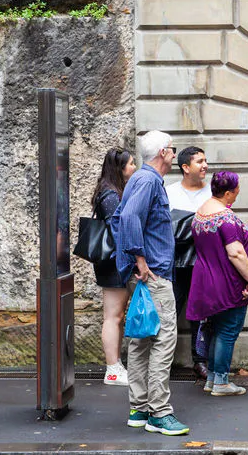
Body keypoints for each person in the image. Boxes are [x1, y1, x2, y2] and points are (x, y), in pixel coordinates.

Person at [112, 130, 189, 436]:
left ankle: (139, 409)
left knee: (142, 340)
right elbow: (129, 217)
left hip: (145, 273)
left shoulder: (139, 179)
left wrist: (133, 261)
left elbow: (119, 218)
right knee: (162, 340)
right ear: (163, 153)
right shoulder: (148, 181)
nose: (175, 155)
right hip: (153, 274)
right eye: (172, 149)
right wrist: (140, 260)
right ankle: (159, 413)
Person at [186, 171, 248, 397]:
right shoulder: (225, 219)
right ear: (227, 193)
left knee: (216, 330)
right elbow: (235, 252)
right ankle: (221, 382)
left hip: (206, 280)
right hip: (227, 282)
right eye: (236, 191)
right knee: (228, 330)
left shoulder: (201, 212)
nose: (237, 195)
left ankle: (211, 379)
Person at [91, 147, 137, 387]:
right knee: (113, 316)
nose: (134, 168)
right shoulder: (110, 194)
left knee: (117, 316)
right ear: (120, 168)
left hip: (114, 261)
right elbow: (116, 229)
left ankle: (116, 365)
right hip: (112, 262)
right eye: (131, 164)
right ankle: (112, 369)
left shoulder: (111, 191)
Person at [165, 146, 211, 379]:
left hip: (205, 261)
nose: (205, 165)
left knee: (202, 314)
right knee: (169, 311)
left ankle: (200, 360)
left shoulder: (212, 191)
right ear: (185, 167)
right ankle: (162, 361)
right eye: (199, 162)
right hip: (177, 262)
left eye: (205, 161)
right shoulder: (169, 192)